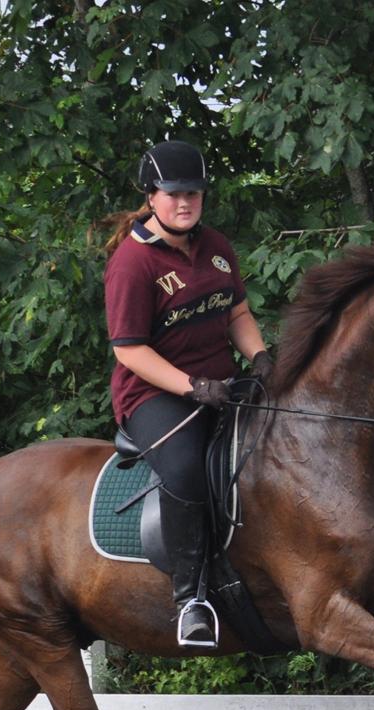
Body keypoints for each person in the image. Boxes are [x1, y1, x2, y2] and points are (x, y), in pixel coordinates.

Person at [104, 140, 272, 647]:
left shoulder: (216, 247)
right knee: (185, 470)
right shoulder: (133, 264)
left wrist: (261, 359)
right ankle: (192, 598)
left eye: (194, 194)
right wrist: (192, 387)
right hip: (155, 395)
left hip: (219, 384)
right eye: (174, 194)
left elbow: (237, 313)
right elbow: (130, 351)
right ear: (151, 196)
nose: (185, 203)